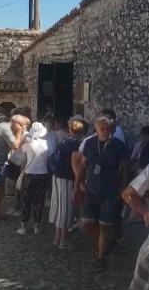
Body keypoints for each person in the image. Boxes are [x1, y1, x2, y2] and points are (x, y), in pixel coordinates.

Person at [76, 115, 129, 271]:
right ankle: (101, 242)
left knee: (105, 225)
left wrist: (123, 188)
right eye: (102, 129)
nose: (105, 132)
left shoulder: (118, 145)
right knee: (86, 222)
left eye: (108, 129)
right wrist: (77, 184)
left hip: (110, 190)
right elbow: (82, 165)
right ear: (96, 129)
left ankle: (100, 257)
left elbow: (125, 168)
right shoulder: (90, 143)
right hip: (91, 189)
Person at [49, 116, 86, 249]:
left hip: (56, 176)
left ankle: (57, 237)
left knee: (58, 206)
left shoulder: (65, 141)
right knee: (65, 209)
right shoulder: (77, 144)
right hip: (67, 178)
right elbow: (77, 165)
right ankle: (63, 240)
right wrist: (80, 183)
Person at [0, 110, 27, 221]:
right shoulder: (7, 129)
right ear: (16, 124)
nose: (24, 128)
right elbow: (15, 145)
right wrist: (19, 134)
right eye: (23, 126)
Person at [17, 122, 52, 235]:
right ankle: (37, 225)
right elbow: (49, 156)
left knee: (26, 199)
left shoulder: (29, 142)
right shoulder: (47, 143)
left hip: (29, 173)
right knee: (39, 200)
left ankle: (23, 225)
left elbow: (21, 155)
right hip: (42, 173)